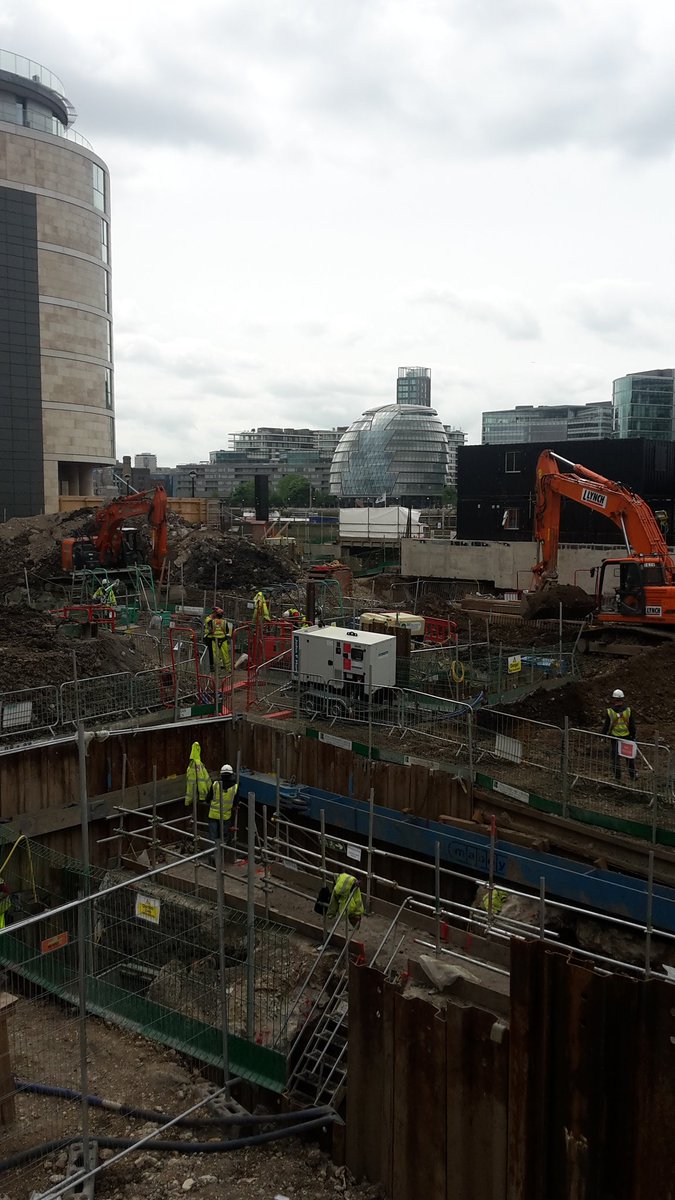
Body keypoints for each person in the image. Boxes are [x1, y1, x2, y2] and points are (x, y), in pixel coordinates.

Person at [602, 689, 637, 781]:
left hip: (615, 738)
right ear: (623, 699)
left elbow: (606, 726)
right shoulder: (628, 711)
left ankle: (618, 777)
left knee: (616, 758)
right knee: (629, 757)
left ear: (614, 699)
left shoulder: (610, 712)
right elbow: (632, 726)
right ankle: (632, 776)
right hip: (627, 737)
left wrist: (603, 735)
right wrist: (633, 736)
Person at [206, 763, 240, 845]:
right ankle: (223, 855)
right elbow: (235, 803)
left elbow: (207, 799)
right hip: (225, 816)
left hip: (213, 815)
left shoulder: (215, 784)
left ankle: (213, 855)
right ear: (231, 775)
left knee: (213, 838)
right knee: (224, 839)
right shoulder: (235, 787)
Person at [184, 741, 211, 809]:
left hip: (196, 795)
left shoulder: (193, 765)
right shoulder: (198, 764)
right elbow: (203, 780)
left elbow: (191, 784)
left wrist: (188, 800)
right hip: (201, 795)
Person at [204, 606, 231, 672]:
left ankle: (217, 668)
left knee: (215, 654)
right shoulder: (210, 619)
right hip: (213, 638)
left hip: (213, 639)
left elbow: (211, 629)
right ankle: (227, 668)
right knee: (223, 654)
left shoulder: (212, 621)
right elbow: (227, 630)